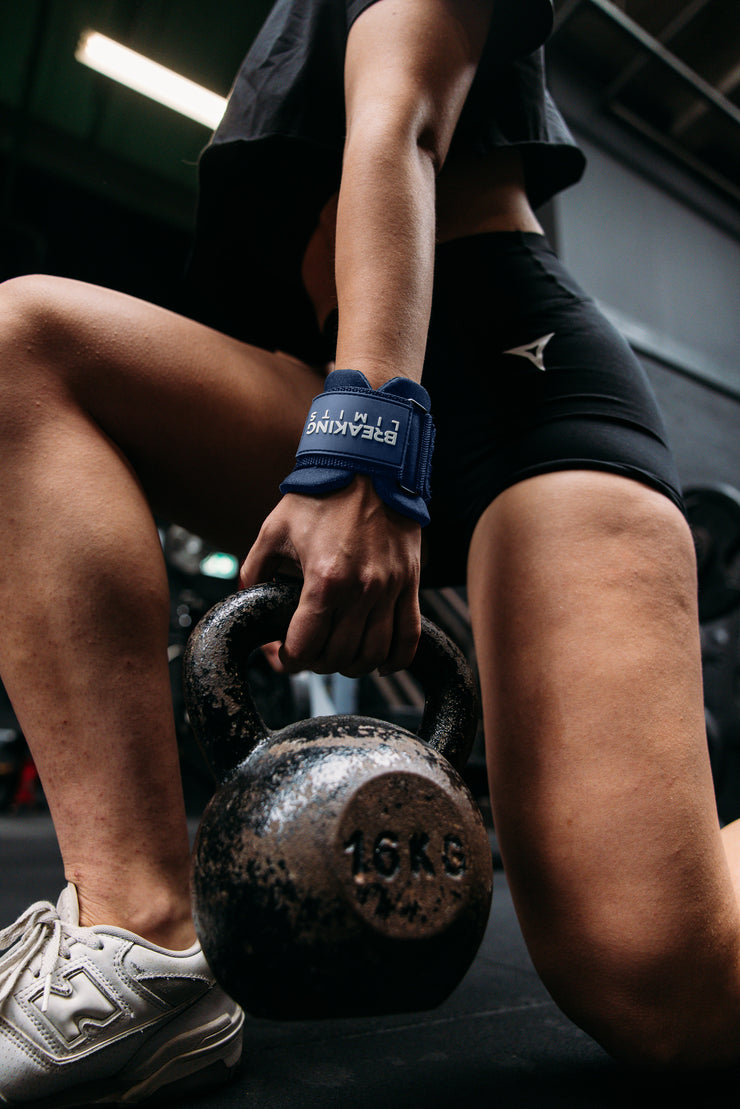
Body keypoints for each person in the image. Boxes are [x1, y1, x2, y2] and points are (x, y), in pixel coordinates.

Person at [0, 0, 738, 1101]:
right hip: (335, 369)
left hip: (516, 381)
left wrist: (366, 447)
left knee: (662, 989)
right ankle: (139, 938)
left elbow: (401, 123)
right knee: (22, 348)